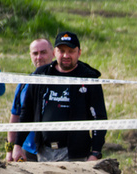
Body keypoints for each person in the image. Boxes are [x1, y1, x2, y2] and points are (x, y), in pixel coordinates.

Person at [13, 32, 107, 162]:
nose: (66, 55)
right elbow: (26, 112)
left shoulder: (89, 78)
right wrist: (17, 145)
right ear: (54, 53)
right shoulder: (41, 75)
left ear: (79, 53)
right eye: (61, 51)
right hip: (43, 152)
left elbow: (99, 117)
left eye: (71, 51)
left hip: (76, 154)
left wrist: (95, 152)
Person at [6, 38, 53, 162]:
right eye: (35, 53)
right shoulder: (23, 84)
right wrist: (10, 150)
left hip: (55, 151)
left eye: (43, 52)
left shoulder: (64, 82)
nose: (39, 57)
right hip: (27, 151)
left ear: (53, 53)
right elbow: (15, 117)